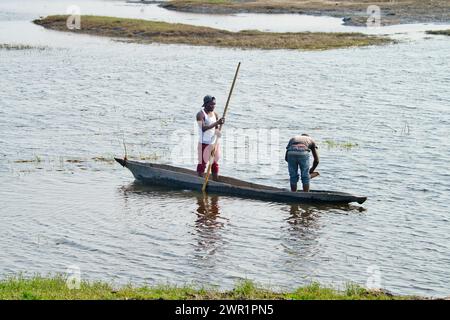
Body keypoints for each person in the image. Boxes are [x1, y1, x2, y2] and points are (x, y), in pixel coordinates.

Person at [196, 95, 225, 180]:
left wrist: (218, 132)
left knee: (214, 163)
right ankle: (199, 180)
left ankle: (215, 180)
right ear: (205, 104)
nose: (213, 106)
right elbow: (203, 128)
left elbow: (215, 129)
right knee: (202, 164)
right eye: (211, 104)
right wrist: (217, 123)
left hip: (214, 143)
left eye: (214, 104)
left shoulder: (215, 114)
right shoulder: (200, 114)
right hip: (204, 143)